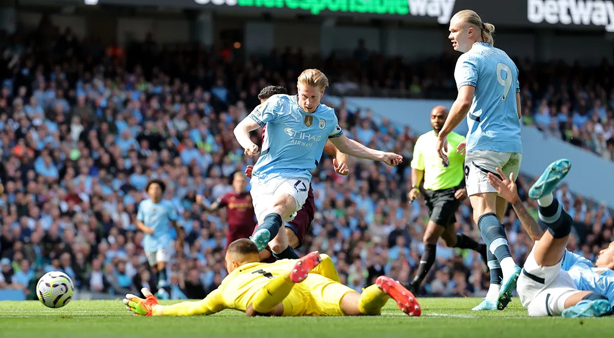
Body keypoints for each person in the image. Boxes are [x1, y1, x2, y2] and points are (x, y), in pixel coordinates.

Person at [233, 69, 402, 261]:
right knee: (278, 246)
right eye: (304, 96)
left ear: (322, 93)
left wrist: (381, 155)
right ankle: (309, 276)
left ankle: (258, 238)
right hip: (263, 177)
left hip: (297, 176)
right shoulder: (279, 104)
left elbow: (344, 144)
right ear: (297, 89)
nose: (308, 102)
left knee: (279, 206)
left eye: (314, 97)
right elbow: (242, 128)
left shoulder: (327, 116)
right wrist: (248, 144)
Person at [486, 159, 614, 317]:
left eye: (608, 248)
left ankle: (579, 310)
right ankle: (545, 198)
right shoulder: (580, 263)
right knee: (563, 226)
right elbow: (539, 238)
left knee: (599, 301)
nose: (602, 250)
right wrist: (515, 201)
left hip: (547, 299)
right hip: (538, 278)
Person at [435, 10, 522, 310]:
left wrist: (443, 134)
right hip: (513, 146)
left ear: (471, 32)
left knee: (481, 214)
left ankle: (510, 267)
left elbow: (464, 101)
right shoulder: (507, 60)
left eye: (454, 30)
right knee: (493, 220)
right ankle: (493, 291)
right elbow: (518, 110)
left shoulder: (468, 59)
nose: (450, 35)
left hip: (487, 144)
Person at [123, 239, 421, 317]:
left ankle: (288, 282)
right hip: (315, 282)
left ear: (233, 263)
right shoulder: (285, 260)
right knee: (363, 308)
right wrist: (334, 285)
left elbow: (193, 308)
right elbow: (325, 262)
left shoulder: (227, 285)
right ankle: (381, 287)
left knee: (257, 309)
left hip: (279, 291)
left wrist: (157, 308)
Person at [244, 85, 349, 258]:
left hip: (296, 193)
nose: (263, 114)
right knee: (258, 251)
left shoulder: (299, 127)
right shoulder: (267, 129)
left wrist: (342, 162)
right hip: (273, 191)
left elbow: (340, 146)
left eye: (266, 107)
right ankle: (299, 272)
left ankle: (305, 275)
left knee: (275, 244)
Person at [407, 105, 486, 295]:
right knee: (450, 240)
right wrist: (415, 187)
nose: (436, 120)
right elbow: (417, 167)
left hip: (450, 194)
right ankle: (481, 248)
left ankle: (415, 284)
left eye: (441, 117)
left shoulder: (459, 141)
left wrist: (466, 188)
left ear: (448, 118)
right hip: (430, 195)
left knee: (429, 238)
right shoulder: (423, 140)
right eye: (433, 116)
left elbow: (475, 166)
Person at [136, 180, 184, 299]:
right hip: (149, 241)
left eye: (157, 188)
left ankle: (162, 290)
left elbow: (175, 222)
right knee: (155, 267)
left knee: (162, 262)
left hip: (164, 239)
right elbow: (138, 221)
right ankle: (162, 290)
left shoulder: (168, 205)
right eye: (152, 188)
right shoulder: (144, 205)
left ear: (162, 191)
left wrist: (180, 238)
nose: (154, 191)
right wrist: (145, 229)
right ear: (148, 191)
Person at [195, 172, 256, 246]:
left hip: (249, 234)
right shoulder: (227, 196)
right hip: (233, 235)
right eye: (238, 181)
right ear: (233, 183)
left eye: (242, 181)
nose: (240, 184)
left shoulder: (252, 196)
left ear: (246, 183)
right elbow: (211, 209)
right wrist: (202, 204)